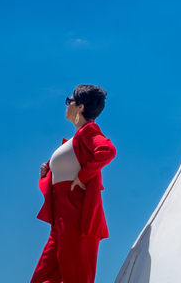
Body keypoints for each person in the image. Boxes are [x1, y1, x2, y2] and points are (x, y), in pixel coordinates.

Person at [31, 85, 117, 283]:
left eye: (69, 101)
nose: (67, 105)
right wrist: (48, 171)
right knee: (43, 277)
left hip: (76, 214)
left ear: (80, 107)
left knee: (76, 276)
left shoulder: (88, 130)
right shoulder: (76, 138)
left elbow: (108, 150)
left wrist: (83, 176)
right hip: (61, 216)